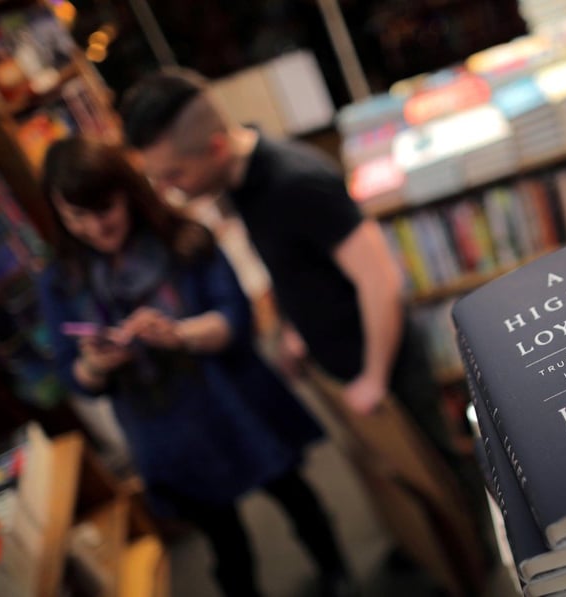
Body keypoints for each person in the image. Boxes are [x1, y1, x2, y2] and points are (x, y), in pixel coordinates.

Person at [117, 69, 470, 490]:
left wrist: (374, 379)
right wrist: (293, 328)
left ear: (215, 147)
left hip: (386, 367)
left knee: (445, 483)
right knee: (401, 489)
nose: (168, 191)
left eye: (174, 175)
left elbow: (380, 281)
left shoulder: (296, 182)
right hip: (343, 364)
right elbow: (295, 265)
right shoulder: (239, 181)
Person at [36, 137, 353, 597]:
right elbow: (75, 379)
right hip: (167, 430)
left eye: (103, 210)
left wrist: (180, 334)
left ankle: (337, 572)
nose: (94, 227)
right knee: (225, 543)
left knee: (296, 499)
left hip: (236, 403)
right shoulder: (62, 281)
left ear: (125, 192)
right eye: (76, 217)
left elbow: (237, 320)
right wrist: (95, 364)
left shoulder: (183, 237)